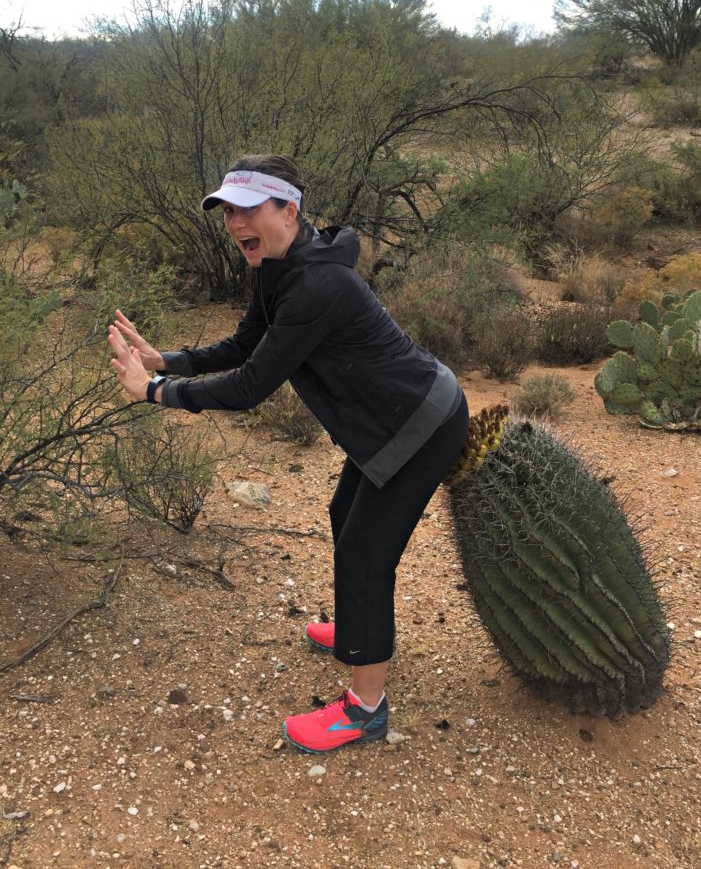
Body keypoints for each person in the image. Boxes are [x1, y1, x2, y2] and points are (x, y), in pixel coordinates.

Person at [108, 154, 468, 754]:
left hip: (421, 423)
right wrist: (168, 360)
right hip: (386, 421)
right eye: (227, 211)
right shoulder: (279, 267)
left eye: (248, 209)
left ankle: (366, 710)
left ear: (289, 210)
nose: (234, 223)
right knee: (342, 517)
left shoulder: (320, 284)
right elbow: (247, 342)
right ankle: (360, 630)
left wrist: (156, 394)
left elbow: (251, 387)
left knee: (364, 552)